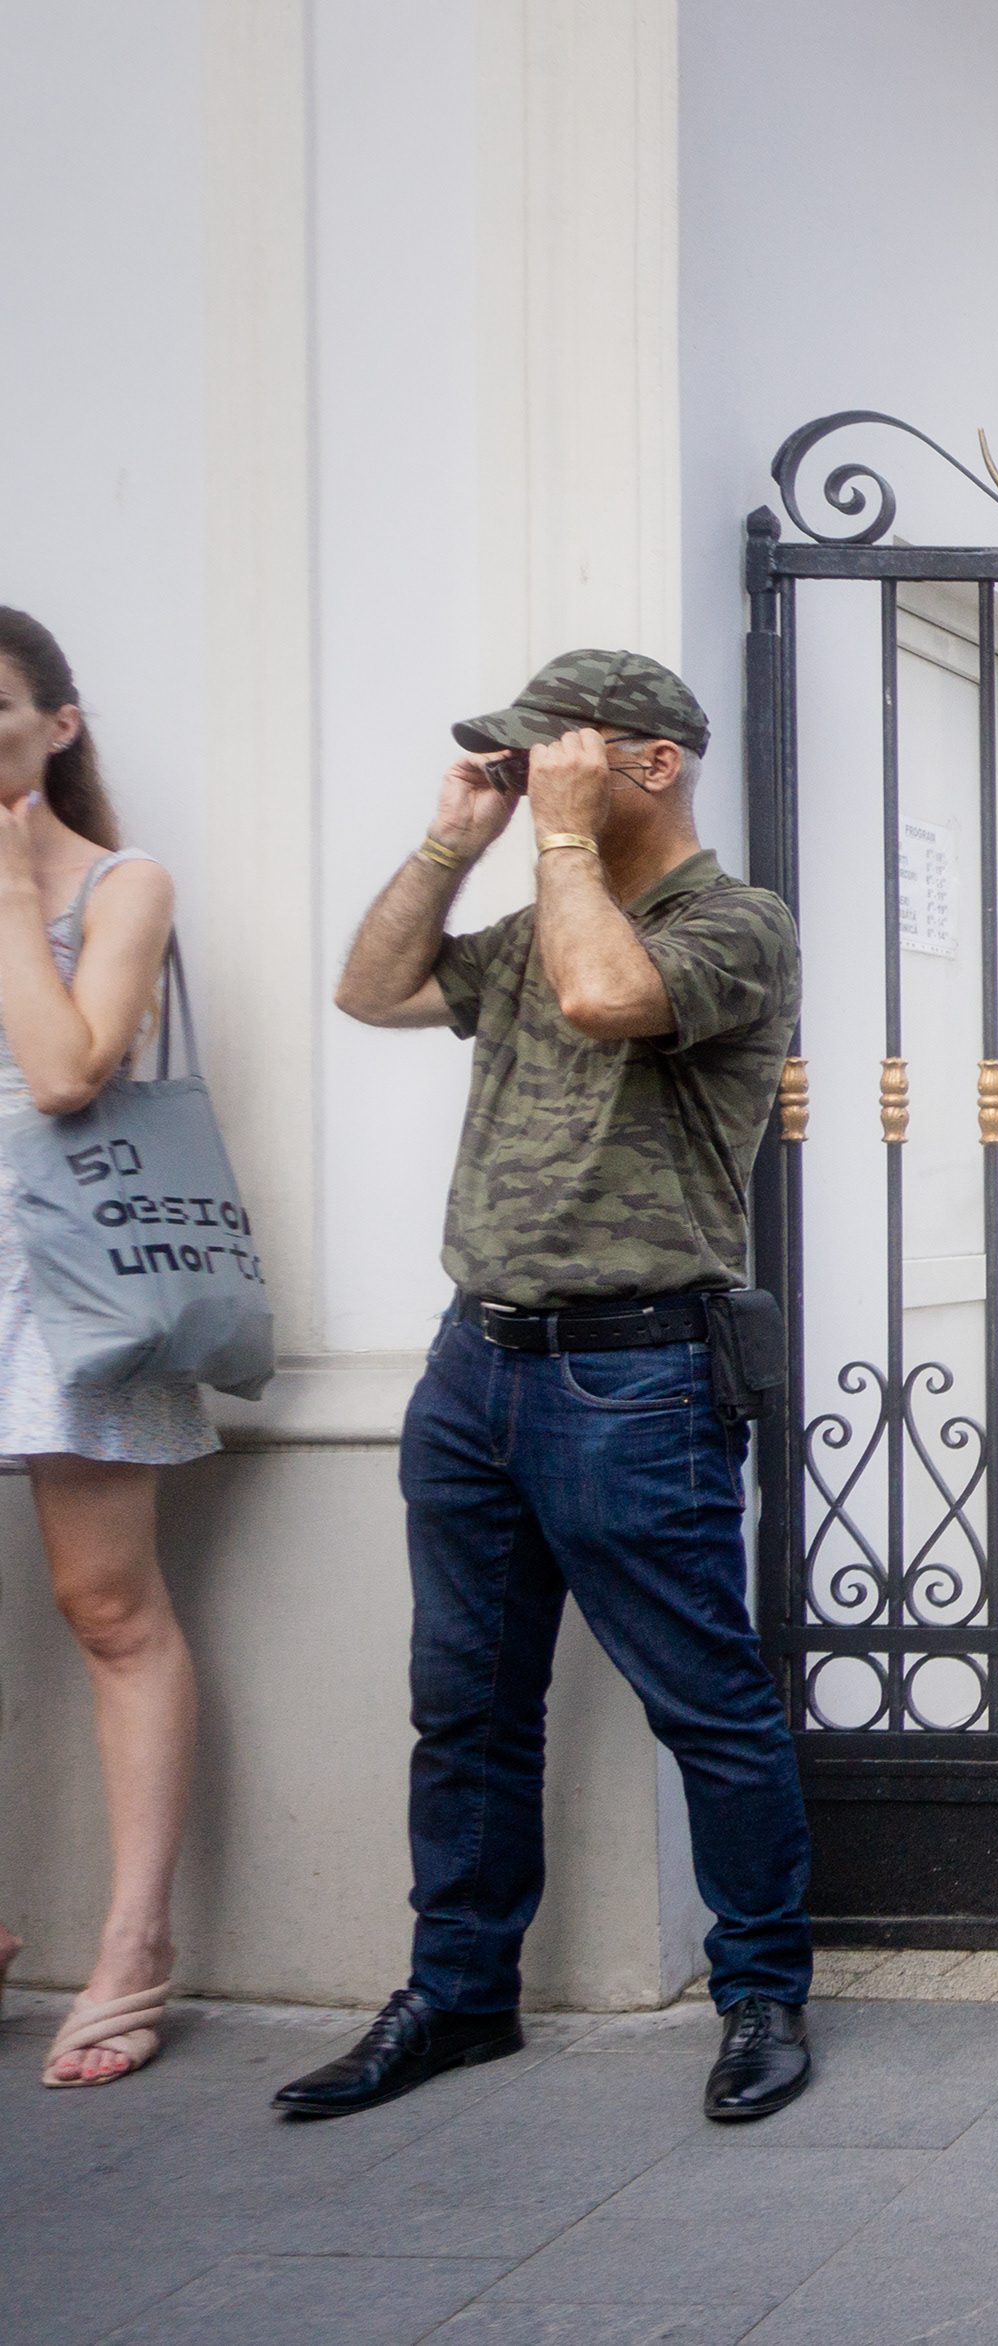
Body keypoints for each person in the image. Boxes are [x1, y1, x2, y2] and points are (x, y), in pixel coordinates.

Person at [277, 650, 814, 2124]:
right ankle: (460, 1996)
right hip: (476, 1369)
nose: (529, 783)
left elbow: (602, 994)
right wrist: (451, 843)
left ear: (652, 762)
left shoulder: (735, 925)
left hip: (635, 1377)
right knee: (465, 1708)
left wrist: (563, 840)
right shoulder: (527, 919)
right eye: (521, 762)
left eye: (552, 754)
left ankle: (761, 1989)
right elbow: (372, 987)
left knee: (706, 1702)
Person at [0, 612, 215, 2088]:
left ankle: (135, 1946)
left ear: (58, 723)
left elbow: (71, 1069)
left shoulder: (119, 884)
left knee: (108, 1607)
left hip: (77, 1274)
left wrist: (14, 897)